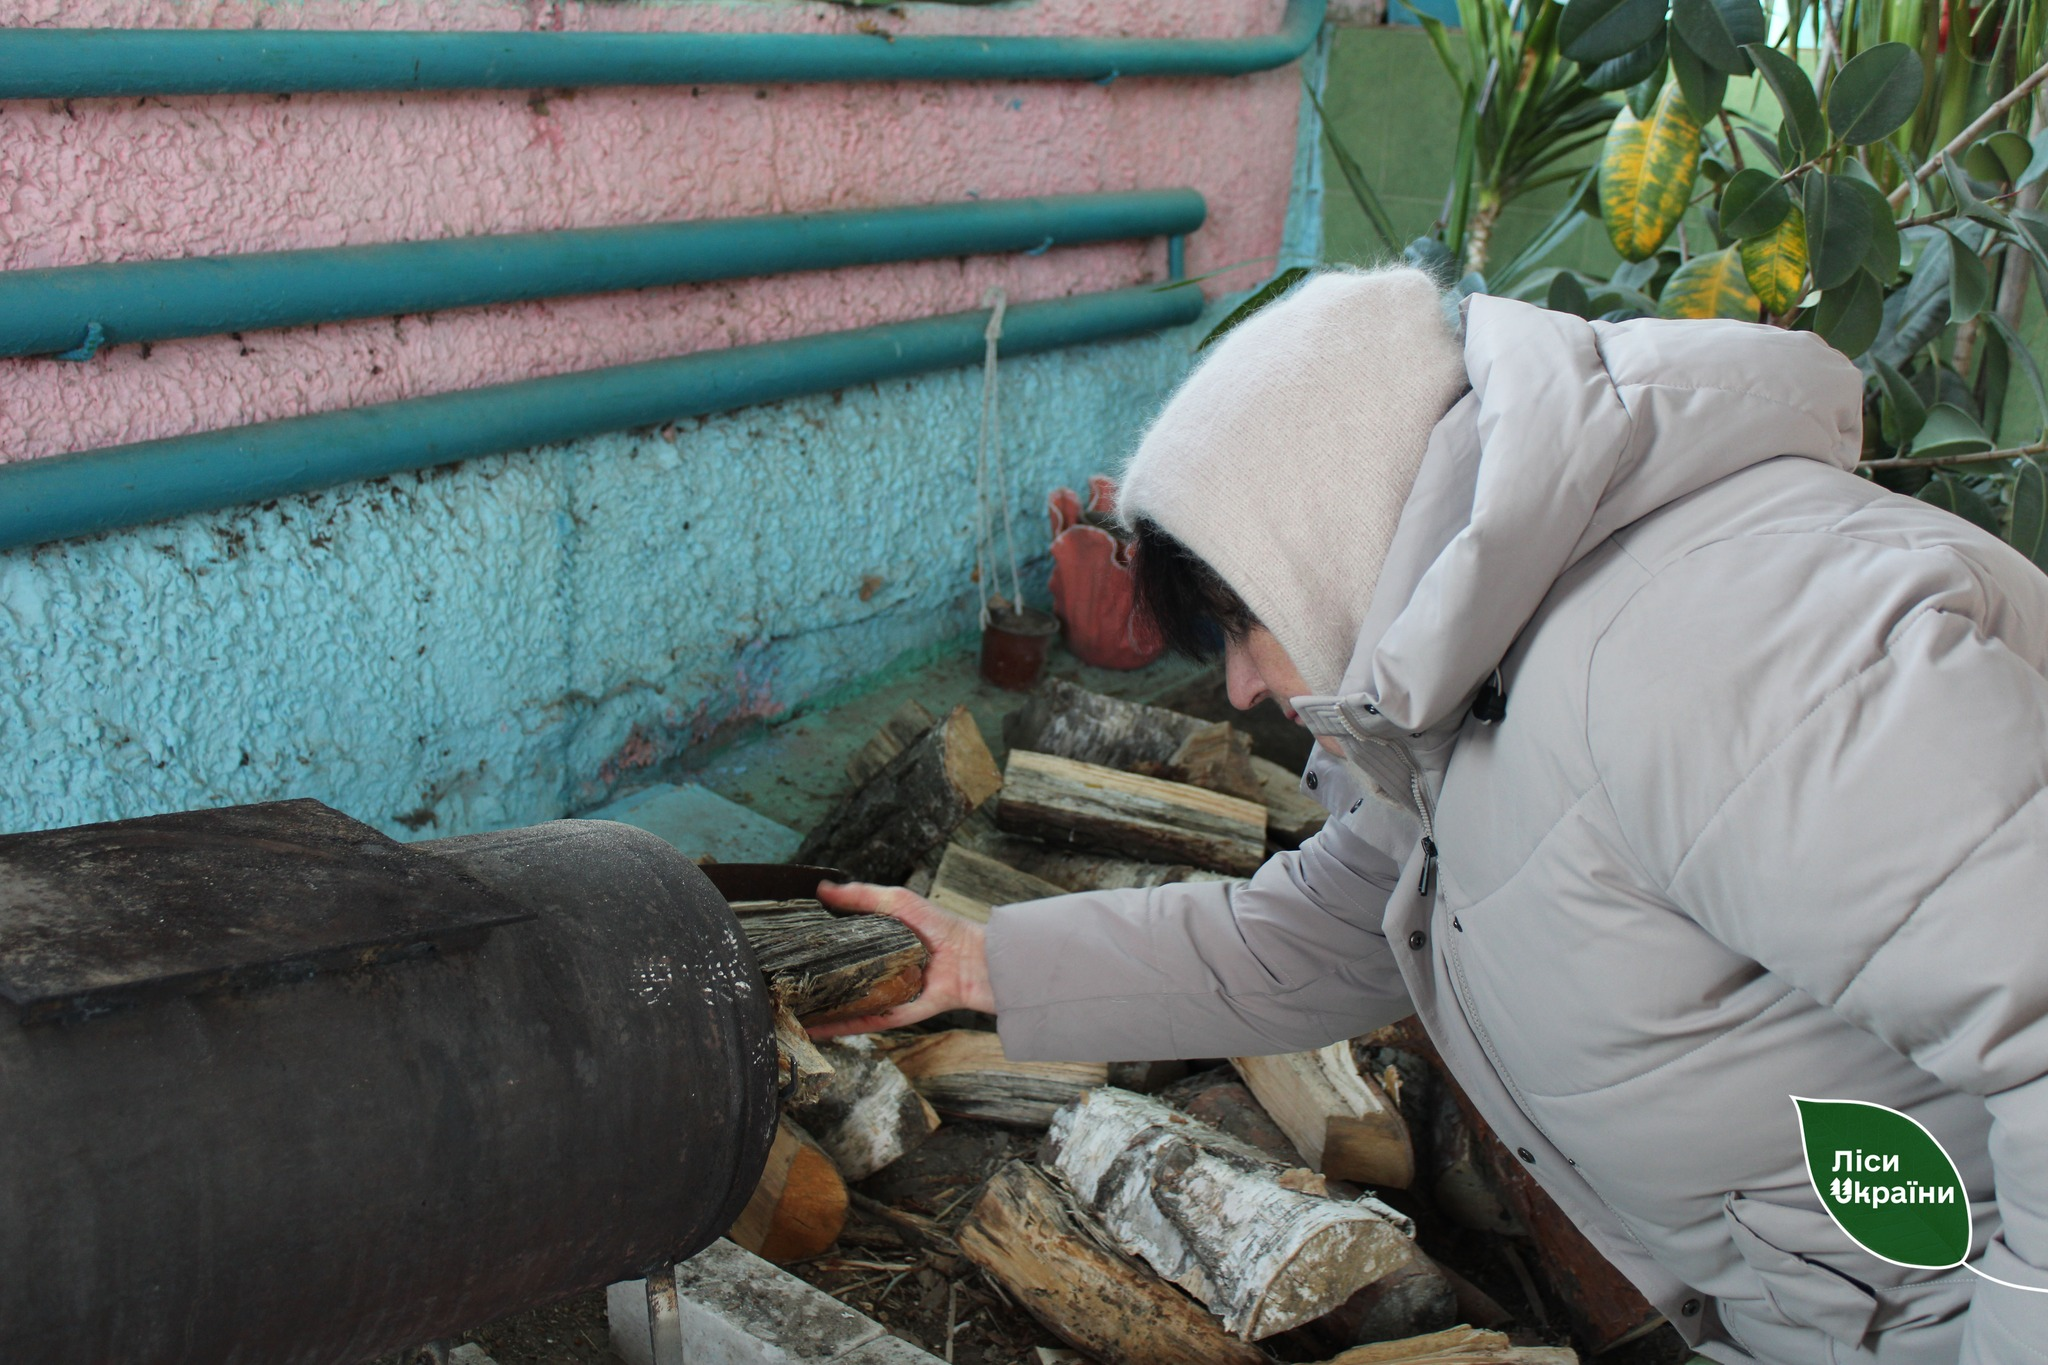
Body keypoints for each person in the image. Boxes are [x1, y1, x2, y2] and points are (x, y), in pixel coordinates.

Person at [812, 267, 2048, 1364]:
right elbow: (1314, 934)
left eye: (1236, 629)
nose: (1239, 689)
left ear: (1324, 546)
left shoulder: (1727, 649)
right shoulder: (1485, 687)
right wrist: (987, 963)